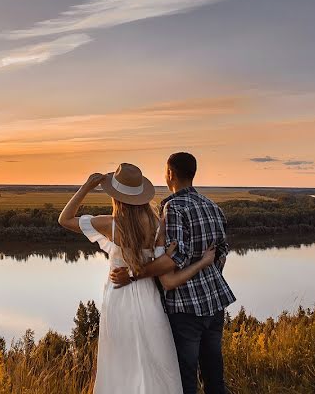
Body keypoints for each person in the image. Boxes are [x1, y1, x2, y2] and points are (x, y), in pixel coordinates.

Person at [59, 162, 217, 394]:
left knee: (121, 362)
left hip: (118, 298)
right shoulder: (157, 225)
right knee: (154, 359)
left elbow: (64, 219)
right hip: (149, 298)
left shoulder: (108, 225)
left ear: (116, 196)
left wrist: (87, 186)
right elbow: (166, 270)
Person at [110, 152, 236, 394]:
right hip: (215, 303)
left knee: (184, 379)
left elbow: (172, 260)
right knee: (214, 376)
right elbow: (221, 253)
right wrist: (207, 274)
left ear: (170, 174)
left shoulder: (174, 207)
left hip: (186, 308)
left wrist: (134, 274)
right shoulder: (213, 206)